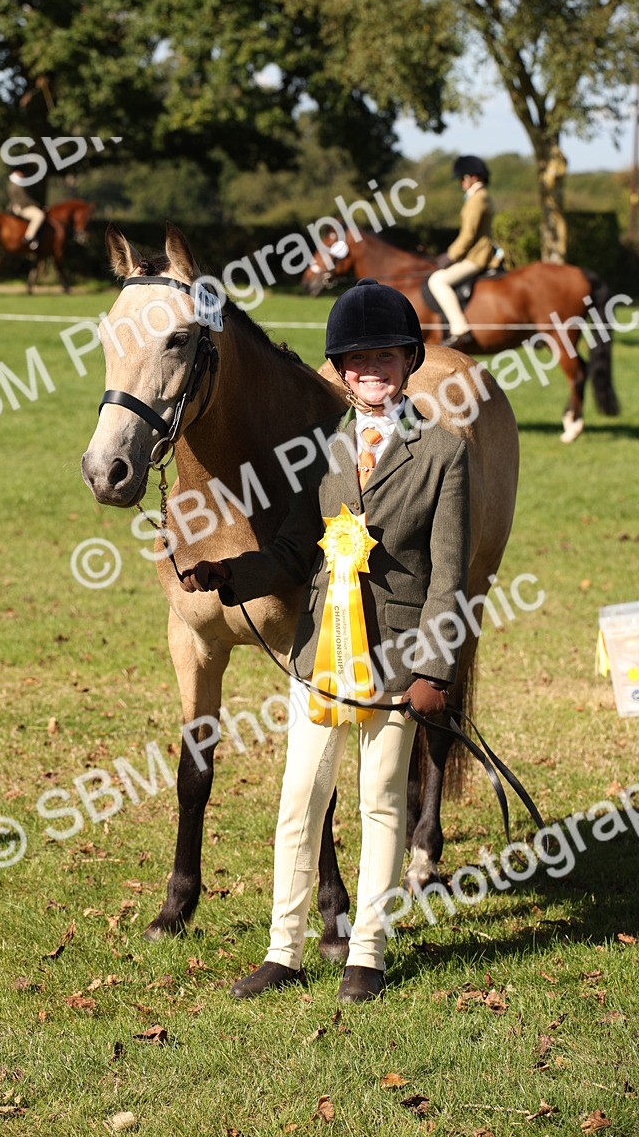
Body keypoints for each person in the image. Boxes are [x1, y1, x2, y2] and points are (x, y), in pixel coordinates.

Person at [180, 280, 471, 1003]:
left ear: (407, 361)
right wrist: (231, 573)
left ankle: (365, 952)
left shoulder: (444, 454)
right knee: (299, 799)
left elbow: (450, 577)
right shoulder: (322, 452)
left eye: (384, 356)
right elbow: (290, 552)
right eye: (355, 359)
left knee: (379, 799)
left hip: (399, 661)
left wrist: (435, 668)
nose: (370, 369)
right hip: (321, 657)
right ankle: (284, 948)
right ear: (339, 371)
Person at [427, 155, 500, 348]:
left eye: (462, 179)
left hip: (476, 257)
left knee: (438, 280)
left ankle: (460, 329)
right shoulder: (480, 196)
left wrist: (450, 255)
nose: (461, 183)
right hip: (476, 254)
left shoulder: (477, 198)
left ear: (473, 177)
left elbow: (468, 235)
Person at [7, 169, 45, 251]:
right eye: (19, 173)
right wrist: (39, 205)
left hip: (18, 206)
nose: (22, 174)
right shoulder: (18, 185)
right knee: (39, 215)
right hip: (22, 207)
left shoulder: (14, 184)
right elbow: (25, 200)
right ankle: (29, 237)